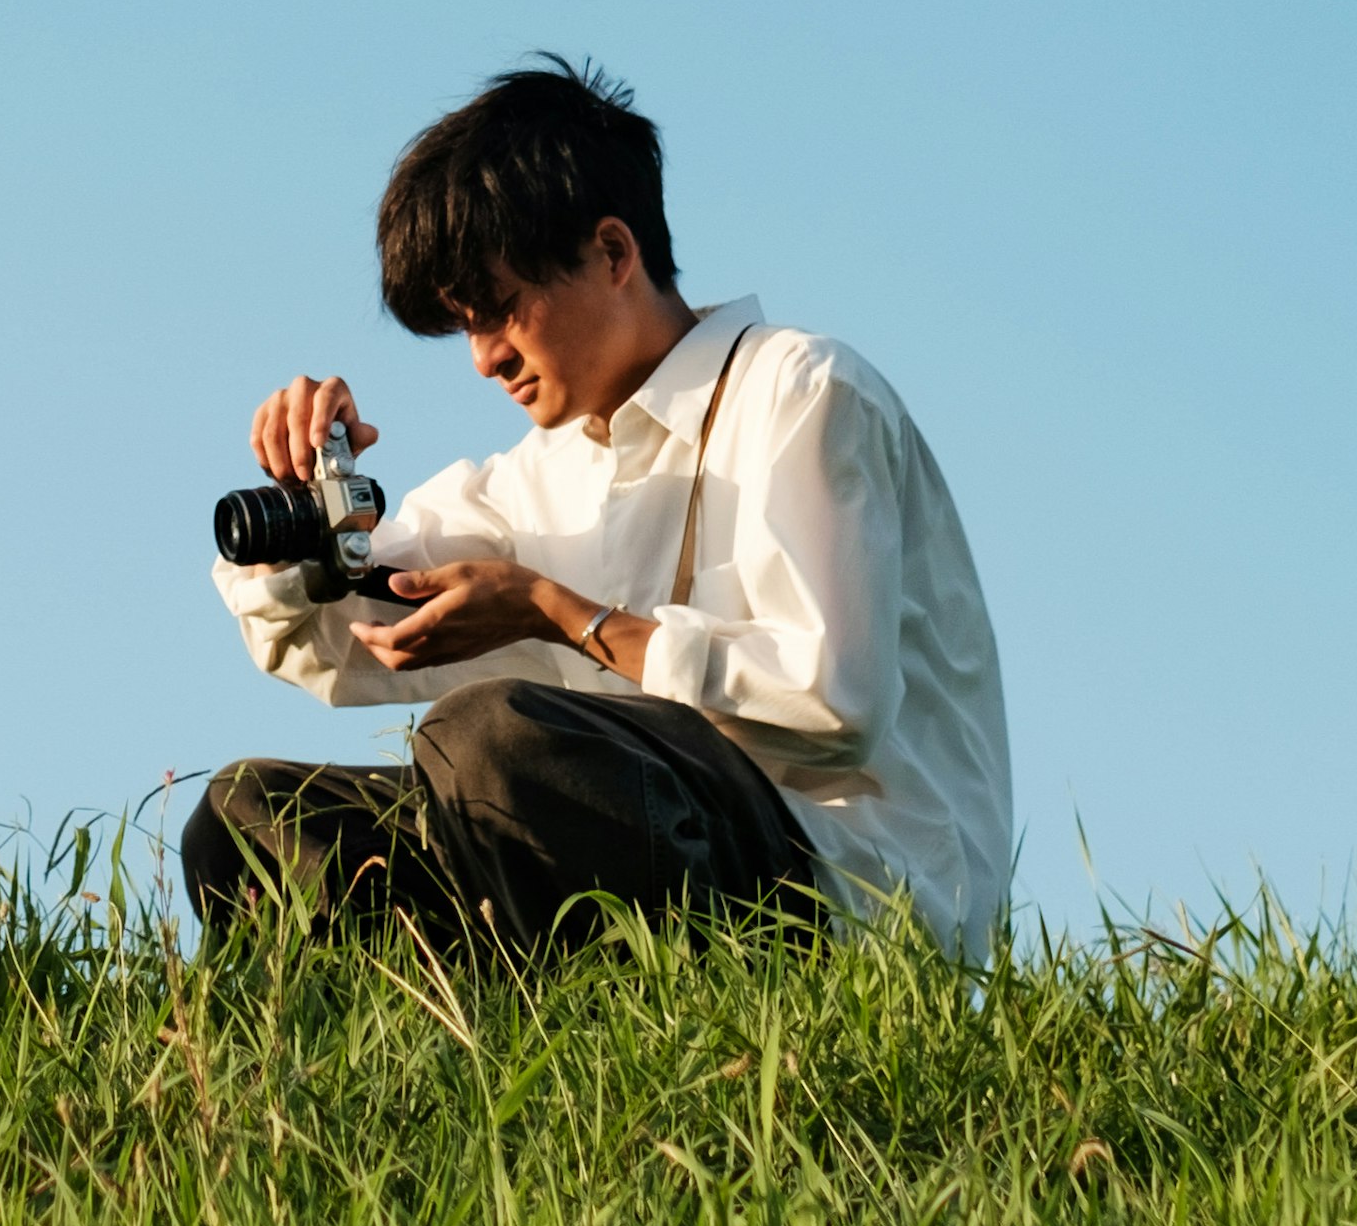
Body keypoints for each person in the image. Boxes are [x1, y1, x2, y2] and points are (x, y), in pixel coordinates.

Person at [189, 55, 1010, 965]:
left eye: (499, 310)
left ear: (613, 253)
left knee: (496, 741)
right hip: (623, 863)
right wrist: (308, 511)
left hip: (841, 895)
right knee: (250, 815)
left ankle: (565, 1013)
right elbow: (335, 643)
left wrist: (561, 613)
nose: (483, 359)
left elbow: (833, 699)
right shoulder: (534, 478)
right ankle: (440, 1051)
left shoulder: (800, 390)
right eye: (463, 328)